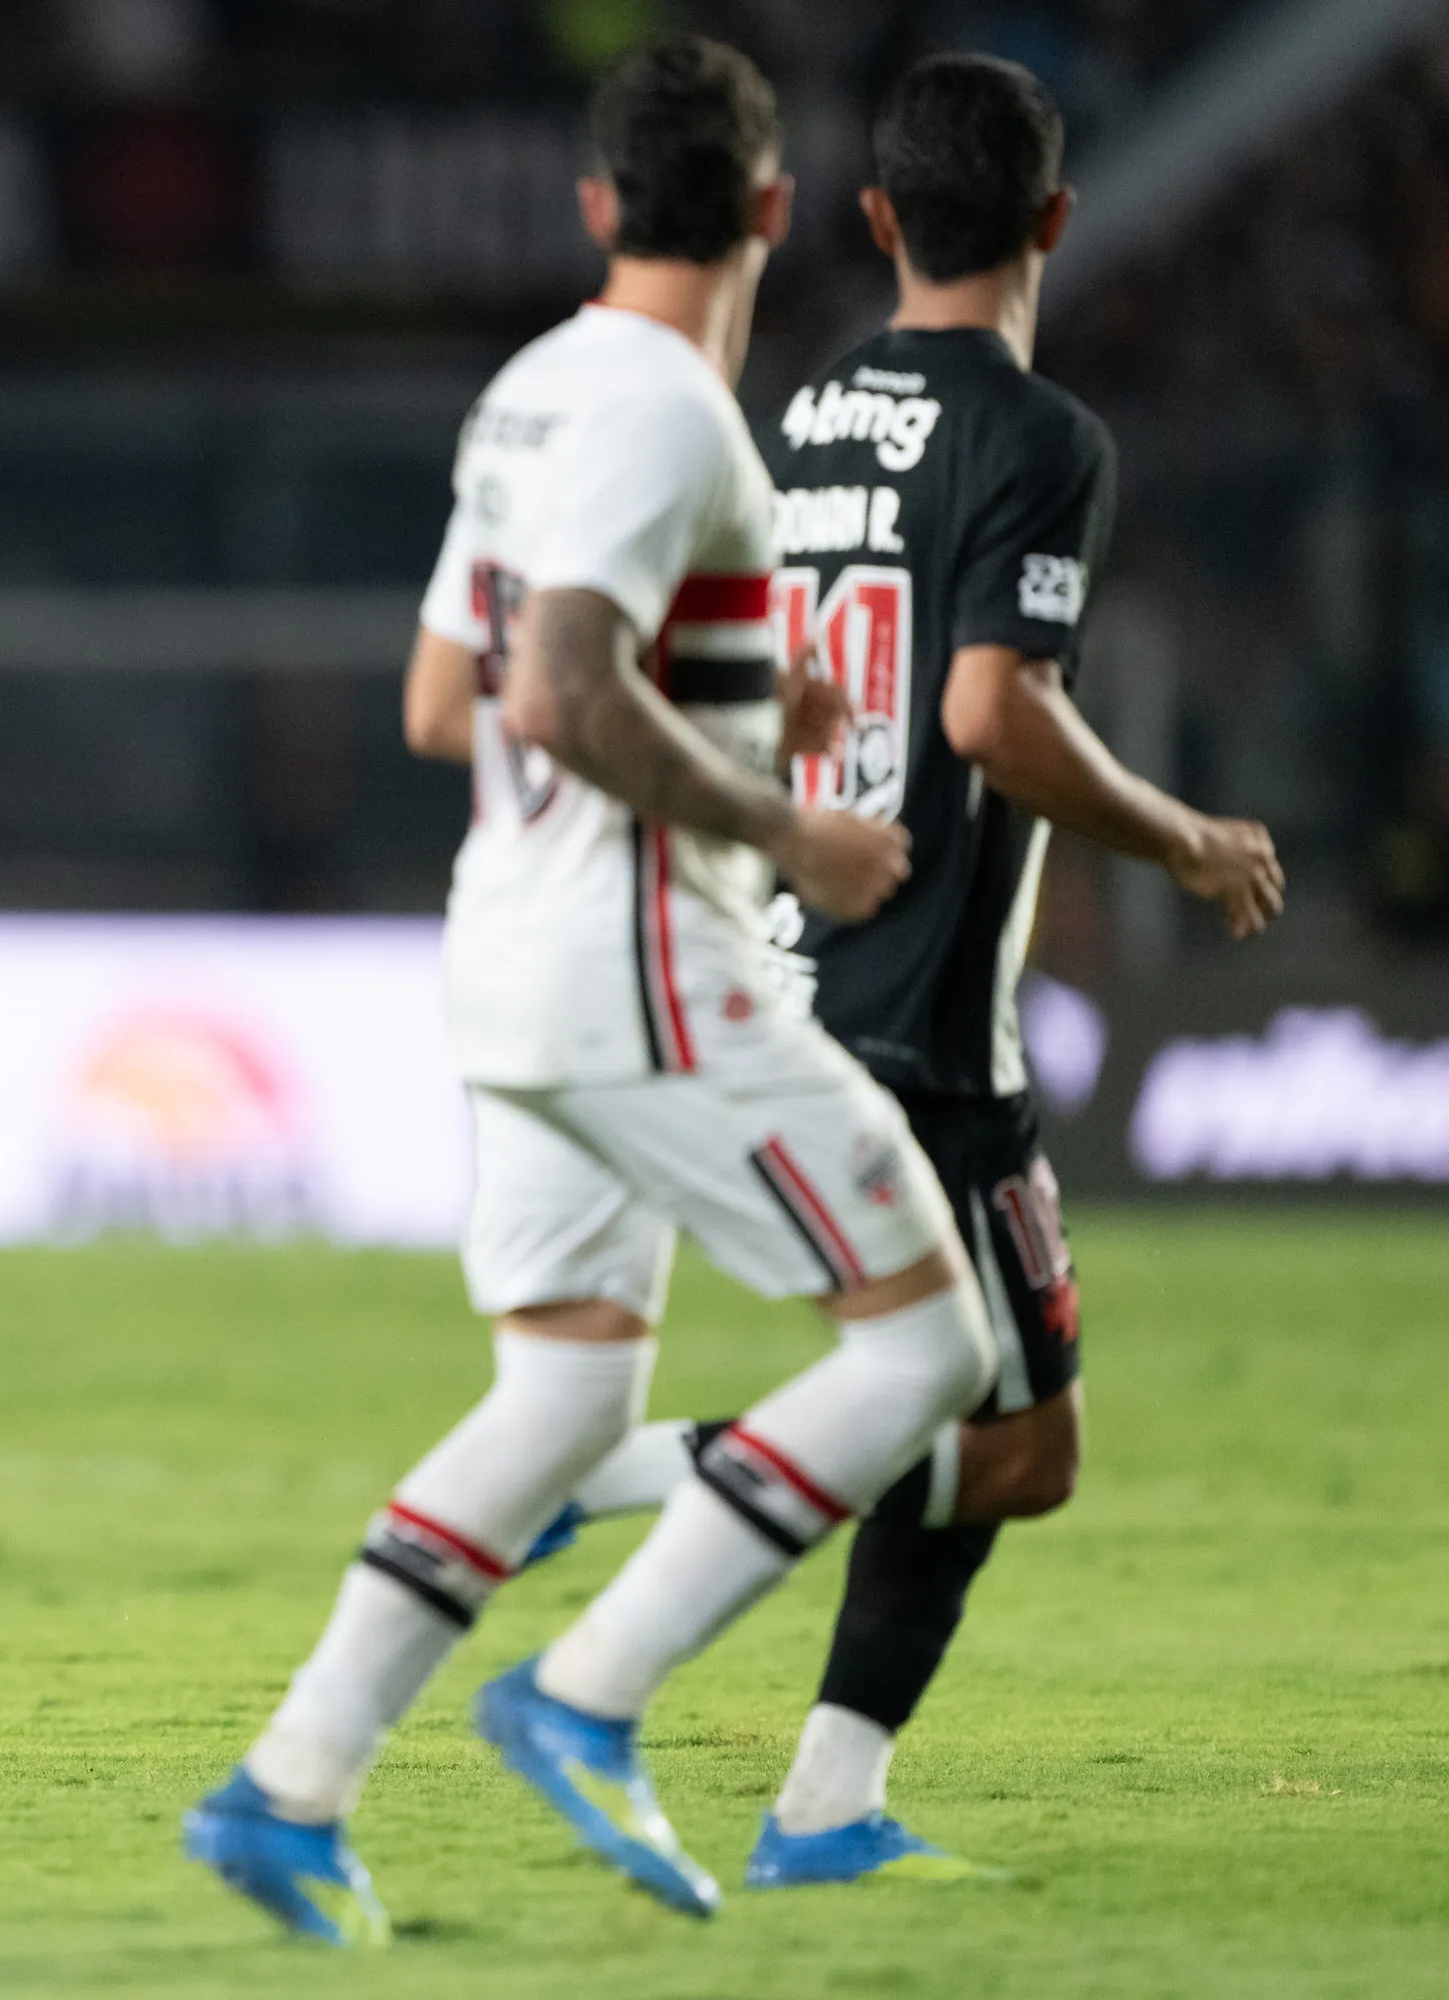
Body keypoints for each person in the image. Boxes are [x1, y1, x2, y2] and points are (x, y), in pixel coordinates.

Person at [185, 35, 997, 1938]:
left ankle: (292, 1785)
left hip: (510, 960)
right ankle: (589, 1687)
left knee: (560, 1403)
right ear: (778, 216)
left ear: (594, 206)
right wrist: (786, 827)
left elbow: (440, 698)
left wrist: (727, 694)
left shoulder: (529, 396)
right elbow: (552, 689)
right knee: (926, 1347)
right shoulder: (667, 412)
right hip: (650, 964)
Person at [532, 53, 1285, 1886]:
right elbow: (990, 714)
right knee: (1018, 1449)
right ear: (1054, 220)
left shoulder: (796, 418)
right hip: (924, 1022)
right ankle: (624, 1498)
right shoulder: (1041, 440)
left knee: (952, 1408)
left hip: (794, 966)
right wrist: (1183, 839)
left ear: (873, 221)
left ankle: (824, 1804)